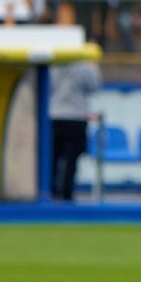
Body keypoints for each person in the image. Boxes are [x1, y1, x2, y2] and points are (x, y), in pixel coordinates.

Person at [48, 58, 101, 201]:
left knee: (52, 159)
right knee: (72, 160)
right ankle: (67, 195)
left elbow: (46, 88)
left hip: (55, 116)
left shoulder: (52, 65)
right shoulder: (83, 66)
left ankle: (50, 193)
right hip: (76, 117)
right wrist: (93, 67)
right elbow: (94, 86)